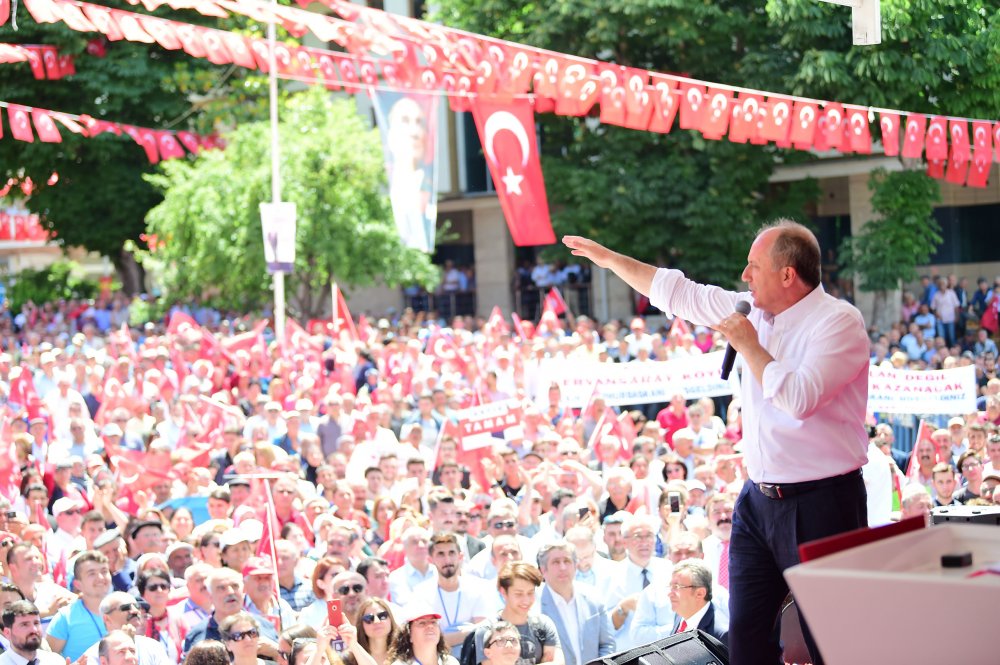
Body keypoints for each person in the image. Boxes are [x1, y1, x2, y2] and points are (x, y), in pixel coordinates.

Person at [565, 221, 870, 665]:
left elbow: (799, 399)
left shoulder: (838, 322)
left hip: (824, 503)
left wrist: (749, 346)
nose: (744, 276)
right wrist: (610, 260)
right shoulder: (751, 309)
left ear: (788, 274)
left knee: (832, 639)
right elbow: (678, 291)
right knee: (745, 637)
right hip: (759, 501)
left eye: (754, 266)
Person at [536, 542, 614, 665]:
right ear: (543, 570)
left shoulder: (593, 597)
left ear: (575, 565)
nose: (562, 567)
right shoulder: (535, 605)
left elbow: (607, 644)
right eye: (556, 562)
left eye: (567, 561)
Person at [470, 563, 562, 665]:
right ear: (503, 592)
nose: (526, 600)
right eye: (519, 594)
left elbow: (558, 662)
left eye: (530, 593)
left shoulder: (543, 624)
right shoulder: (487, 630)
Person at [379, 95, 435, 254]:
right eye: (405, 121)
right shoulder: (385, 185)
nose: (414, 132)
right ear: (390, 133)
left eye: (419, 122)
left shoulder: (425, 186)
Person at [46, 550, 112, 661]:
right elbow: (47, 659)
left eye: (104, 571)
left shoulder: (124, 608)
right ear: (78, 584)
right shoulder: (65, 617)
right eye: (92, 573)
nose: (100, 577)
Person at [82, 592, 171, 665]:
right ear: (107, 619)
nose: (135, 611)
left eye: (136, 607)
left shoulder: (153, 647)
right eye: (126, 607)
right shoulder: (92, 656)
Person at [666, 559, 728, 646]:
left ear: (700, 593)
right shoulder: (680, 615)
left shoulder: (721, 635)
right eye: (671, 586)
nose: (670, 594)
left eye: (677, 587)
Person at [386, 603, 457, 665]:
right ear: (409, 635)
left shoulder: (451, 662)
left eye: (433, 622)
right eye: (422, 623)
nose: (430, 626)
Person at [0, 601, 64, 665]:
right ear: (7, 633)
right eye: (24, 624)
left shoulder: (56, 661)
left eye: (36, 623)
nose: (34, 630)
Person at [351, 597, 399, 665]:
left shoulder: (404, 654)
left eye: (382, 616)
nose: (376, 621)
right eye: (369, 618)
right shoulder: (349, 658)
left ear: (390, 619)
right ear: (361, 625)